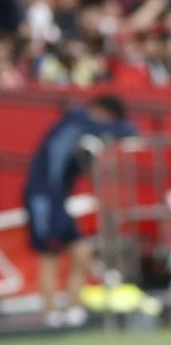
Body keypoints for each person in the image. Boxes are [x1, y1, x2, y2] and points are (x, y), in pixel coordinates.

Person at [23, 95, 134, 324]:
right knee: (50, 256)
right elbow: (124, 130)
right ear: (101, 110)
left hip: (58, 201)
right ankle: (51, 314)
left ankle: (75, 309)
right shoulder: (76, 122)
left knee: (82, 252)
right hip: (43, 199)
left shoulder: (81, 131)